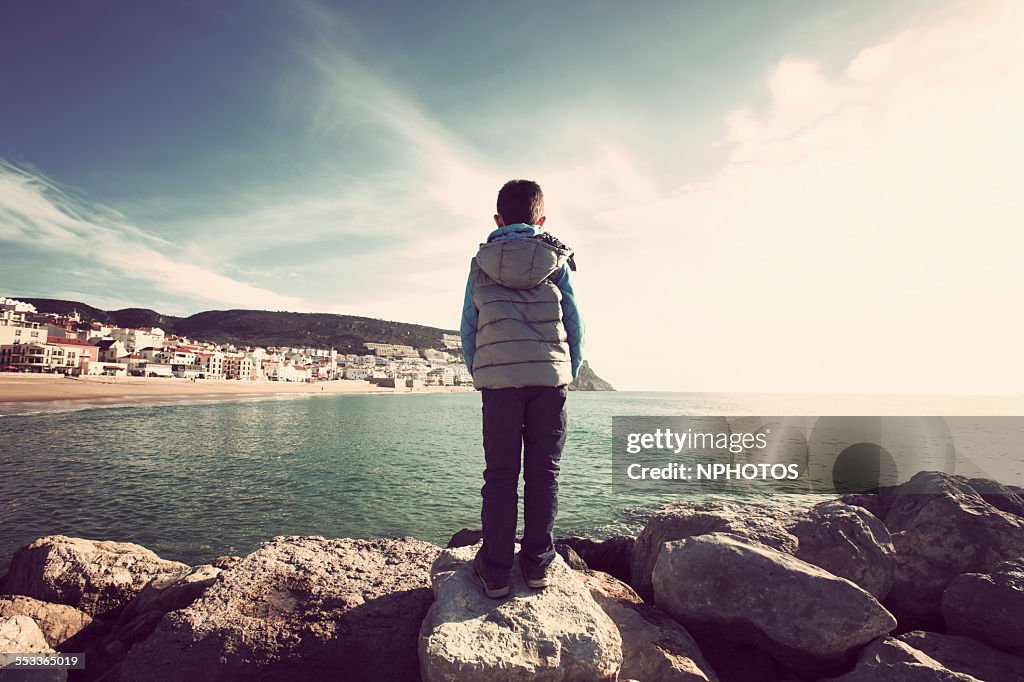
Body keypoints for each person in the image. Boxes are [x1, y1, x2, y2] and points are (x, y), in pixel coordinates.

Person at [460, 179, 584, 598]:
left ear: (498, 220)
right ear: (541, 219)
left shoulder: (481, 261)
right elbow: (574, 322)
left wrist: (481, 371)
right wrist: (570, 367)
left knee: (499, 476)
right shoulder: (556, 258)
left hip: (498, 384)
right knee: (544, 474)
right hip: (550, 381)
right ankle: (536, 565)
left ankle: (495, 569)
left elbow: (469, 326)